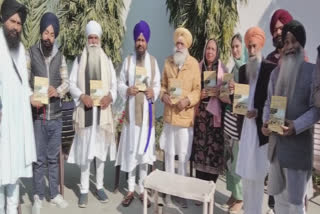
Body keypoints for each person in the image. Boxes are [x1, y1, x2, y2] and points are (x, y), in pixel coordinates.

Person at [262, 20, 320, 214]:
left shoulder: (312, 72)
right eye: (286, 42)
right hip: (277, 149)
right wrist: (265, 123)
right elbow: (268, 104)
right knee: (279, 203)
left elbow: (316, 109)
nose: (289, 46)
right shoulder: (275, 74)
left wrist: (296, 125)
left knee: (296, 205)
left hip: (298, 150)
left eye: (294, 41)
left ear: (301, 44)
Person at [68, 20, 117, 208]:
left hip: (102, 114)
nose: (93, 41)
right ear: (87, 39)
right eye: (91, 38)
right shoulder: (80, 60)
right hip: (86, 112)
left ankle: (100, 186)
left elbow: (114, 85)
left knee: (100, 153)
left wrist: (110, 97)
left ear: (100, 39)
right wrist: (82, 95)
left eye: (96, 38)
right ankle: (83, 190)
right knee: (86, 153)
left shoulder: (107, 60)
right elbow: (72, 84)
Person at [27, 12, 69, 213]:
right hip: (37, 117)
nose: (48, 37)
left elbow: (67, 82)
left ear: (55, 36)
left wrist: (57, 90)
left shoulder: (59, 56)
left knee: (53, 158)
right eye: (46, 32)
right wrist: (31, 97)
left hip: (56, 117)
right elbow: (25, 82)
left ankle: (54, 194)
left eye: (52, 34)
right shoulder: (31, 53)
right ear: (41, 32)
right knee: (39, 159)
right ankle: (38, 196)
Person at [116, 20, 160, 208]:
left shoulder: (152, 62)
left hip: (147, 118)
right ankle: (130, 189)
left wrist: (153, 92)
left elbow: (158, 85)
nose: (140, 43)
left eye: (143, 39)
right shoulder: (128, 61)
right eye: (138, 39)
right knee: (132, 153)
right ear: (135, 41)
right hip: (132, 118)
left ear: (147, 41)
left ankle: (142, 190)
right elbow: (119, 84)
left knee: (143, 155)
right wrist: (127, 90)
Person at [235, 27, 277, 214]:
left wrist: (259, 113)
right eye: (249, 47)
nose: (251, 50)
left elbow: (274, 100)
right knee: (246, 174)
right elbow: (239, 101)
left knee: (258, 177)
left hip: (261, 131)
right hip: (245, 129)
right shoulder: (243, 70)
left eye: (254, 46)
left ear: (260, 46)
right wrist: (233, 93)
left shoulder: (270, 69)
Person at [0, 0, 36, 213]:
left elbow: (23, 81)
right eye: (12, 21)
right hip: (2, 119)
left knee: (12, 172)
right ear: (3, 20)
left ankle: (11, 209)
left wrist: (32, 96)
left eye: (19, 23)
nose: (16, 27)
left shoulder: (21, 49)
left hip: (16, 121)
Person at [159, 27, 201, 208]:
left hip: (185, 119)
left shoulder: (193, 64)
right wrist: (163, 96)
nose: (178, 46)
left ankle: (182, 193)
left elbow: (198, 90)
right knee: (168, 154)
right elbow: (161, 86)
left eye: (182, 44)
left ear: (187, 46)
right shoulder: (168, 62)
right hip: (170, 117)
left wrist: (188, 100)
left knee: (183, 156)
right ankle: (168, 192)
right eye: (177, 43)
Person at [265, 9, 293, 213]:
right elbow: (267, 98)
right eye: (275, 29)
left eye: (281, 28)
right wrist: (266, 122)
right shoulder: (269, 60)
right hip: (274, 133)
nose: (278, 33)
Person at [192, 38, 226, 184]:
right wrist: (200, 95)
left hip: (214, 116)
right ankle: (199, 186)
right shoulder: (198, 67)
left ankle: (210, 186)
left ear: (217, 51)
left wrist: (218, 93)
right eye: (208, 48)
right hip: (201, 115)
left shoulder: (222, 69)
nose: (210, 51)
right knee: (200, 150)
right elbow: (192, 88)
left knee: (214, 150)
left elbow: (227, 93)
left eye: (212, 49)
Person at [221, 33, 247, 213]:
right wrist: (226, 91)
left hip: (240, 126)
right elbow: (225, 95)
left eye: (238, 46)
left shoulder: (247, 69)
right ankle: (233, 193)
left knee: (238, 162)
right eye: (233, 47)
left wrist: (234, 91)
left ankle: (240, 198)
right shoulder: (233, 68)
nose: (235, 50)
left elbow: (245, 102)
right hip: (229, 123)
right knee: (229, 161)